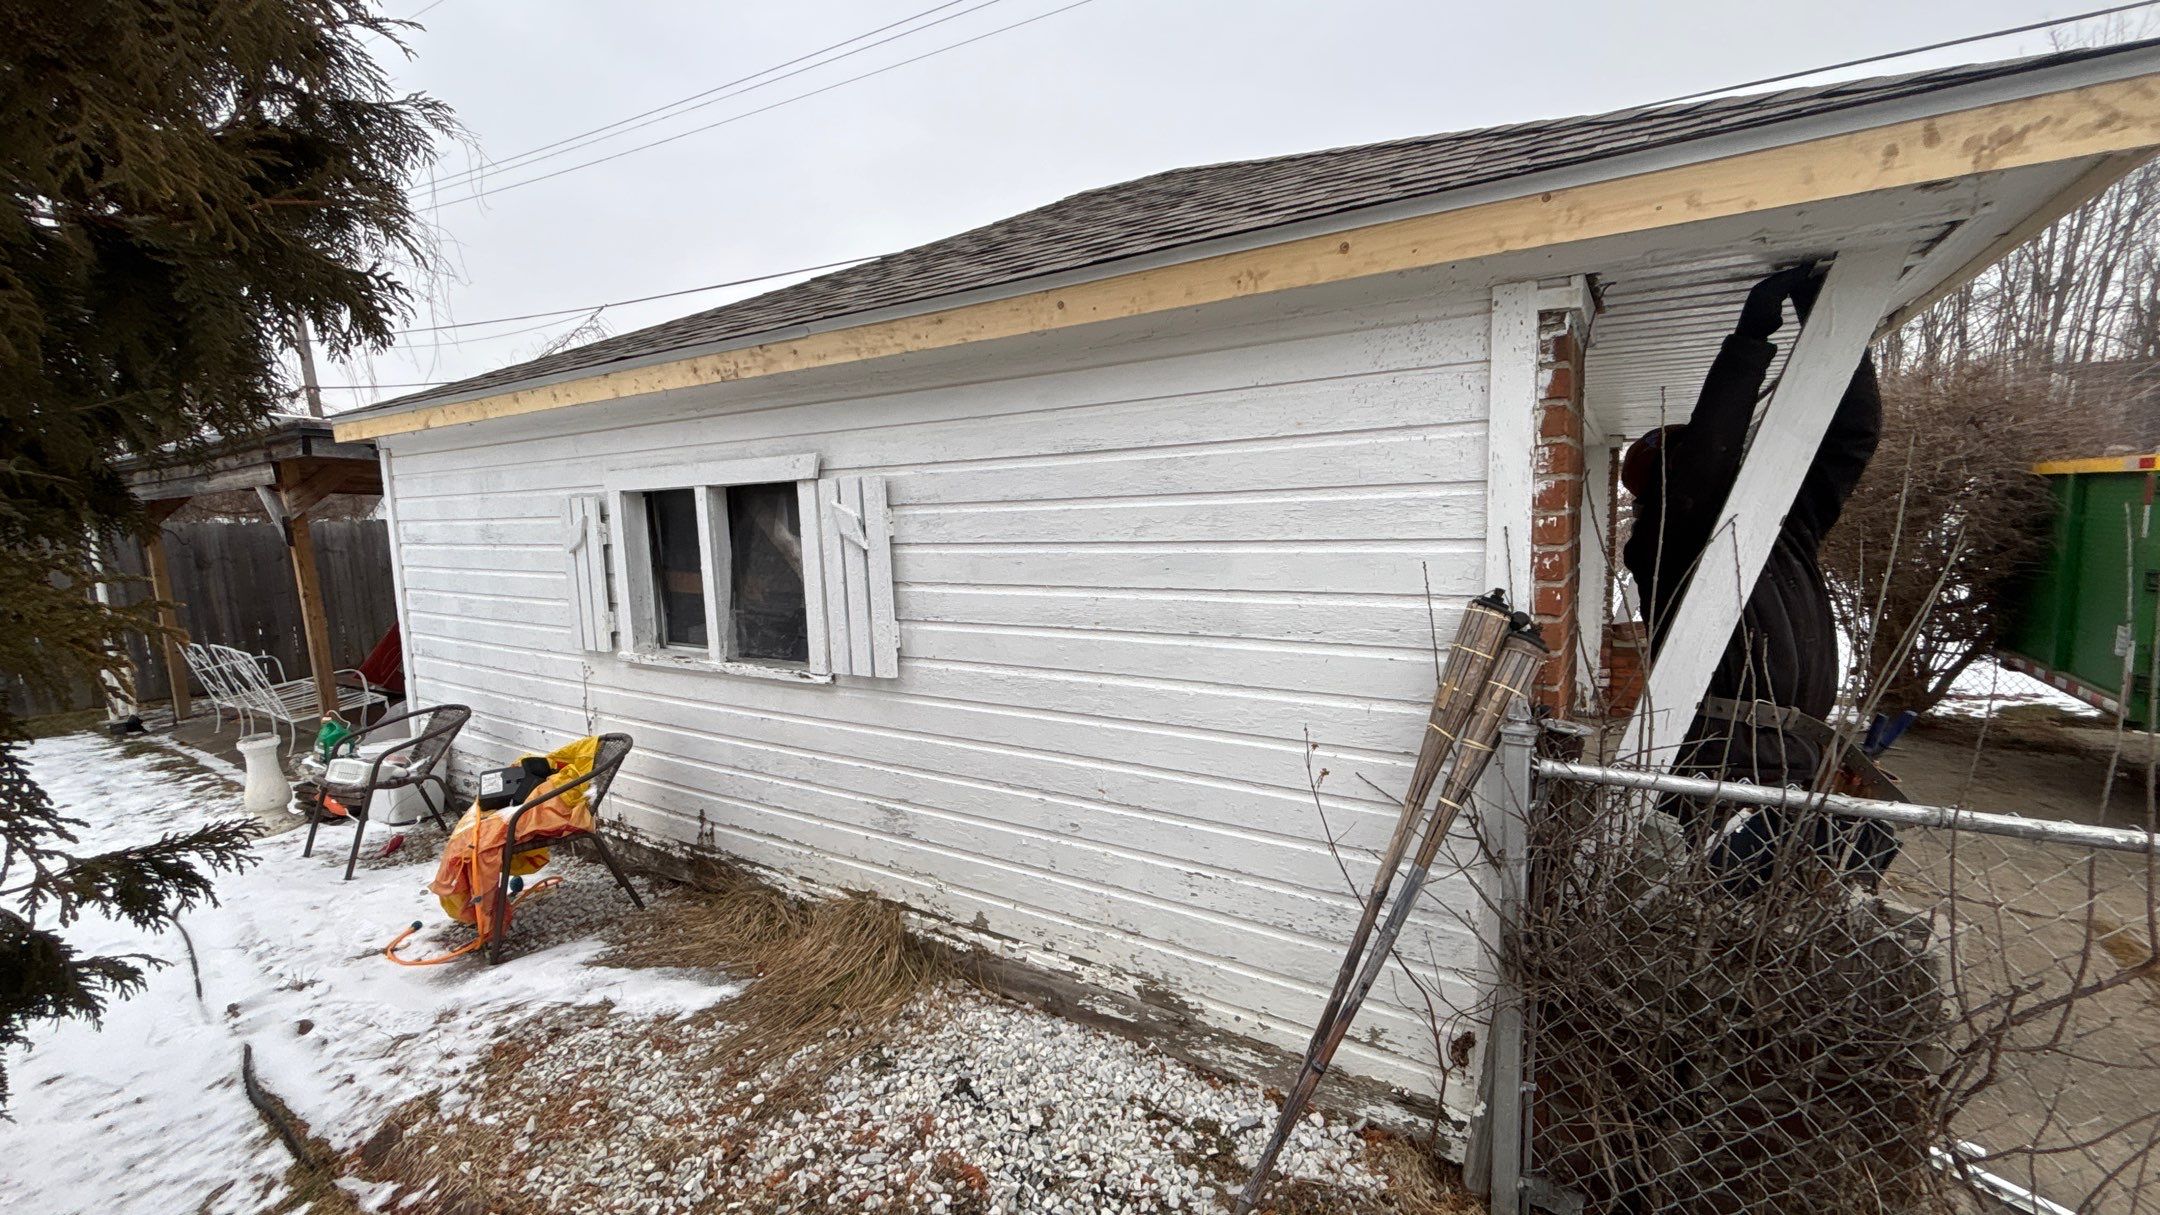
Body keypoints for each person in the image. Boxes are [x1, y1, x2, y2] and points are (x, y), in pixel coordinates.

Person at [1620, 263, 1896, 886]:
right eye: (1685, 454)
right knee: (1733, 924)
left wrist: (1827, 321)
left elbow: (1850, 438)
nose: (1726, 456)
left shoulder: (1781, 525)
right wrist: (1749, 343)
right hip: (1725, 778)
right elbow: (1707, 463)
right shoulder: (1668, 544)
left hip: (1799, 766)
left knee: (1847, 886)